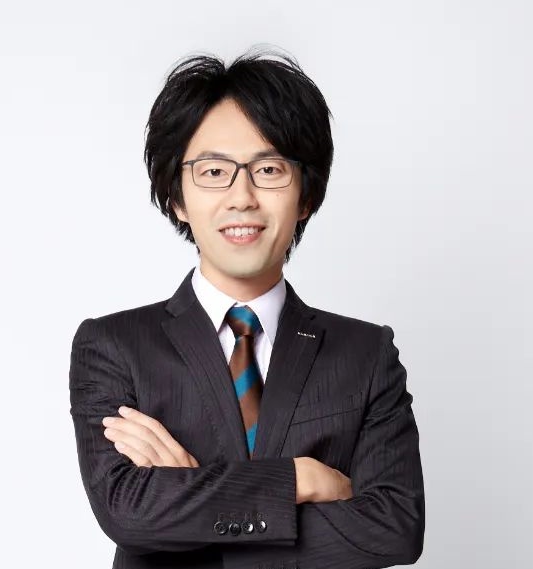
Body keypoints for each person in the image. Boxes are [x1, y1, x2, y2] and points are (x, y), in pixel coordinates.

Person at [69, 48, 425, 569]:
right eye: (214, 170)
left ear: (306, 196)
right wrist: (300, 479)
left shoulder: (366, 354)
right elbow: (128, 513)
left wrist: (192, 498)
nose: (242, 197)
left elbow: (394, 531)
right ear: (177, 197)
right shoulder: (114, 346)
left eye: (269, 169)